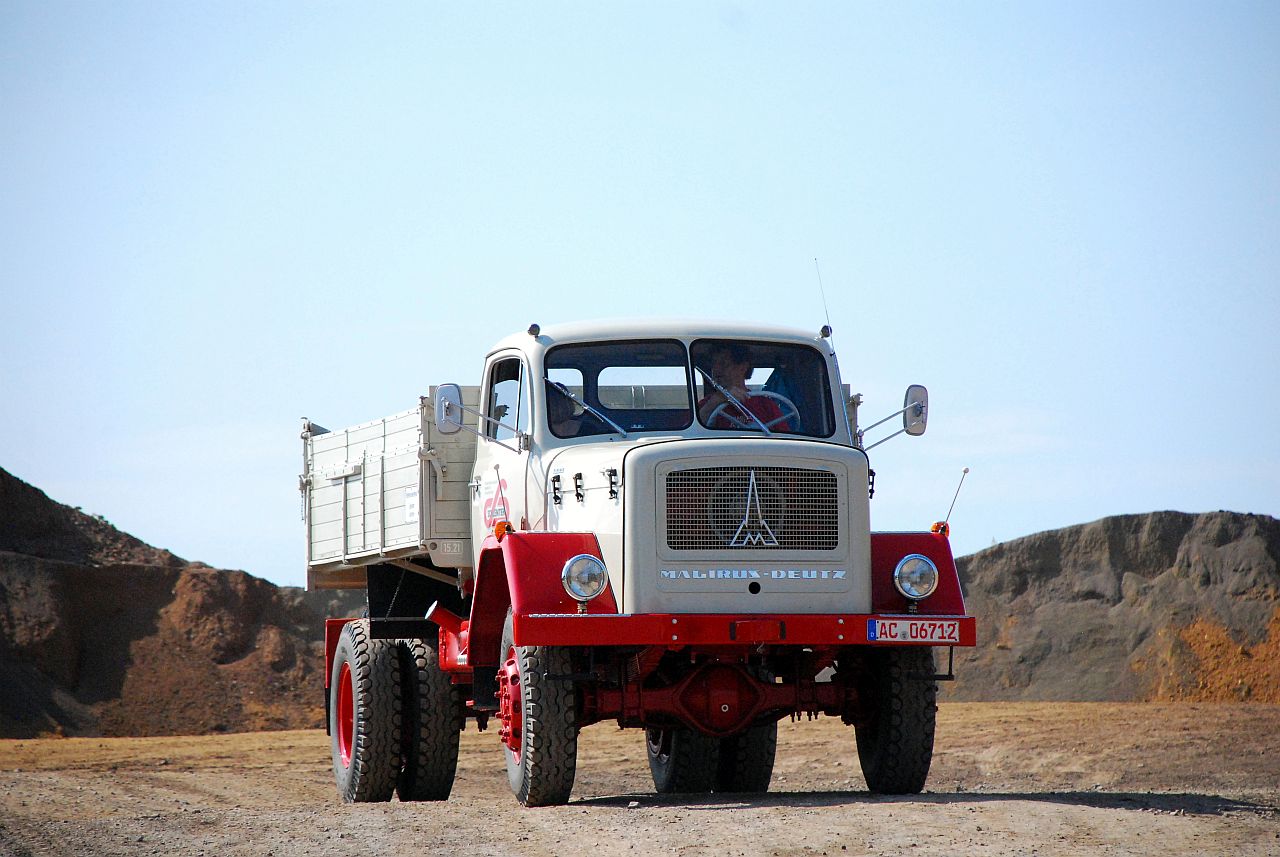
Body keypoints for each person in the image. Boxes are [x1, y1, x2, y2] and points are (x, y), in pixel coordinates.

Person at [696, 343, 789, 430]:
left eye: (724, 364)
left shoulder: (765, 405)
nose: (716, 369)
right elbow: (692, 432)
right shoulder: (706, 404)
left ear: (743, 367)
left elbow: (785, 437)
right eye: (714, 364)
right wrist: (716, 400)